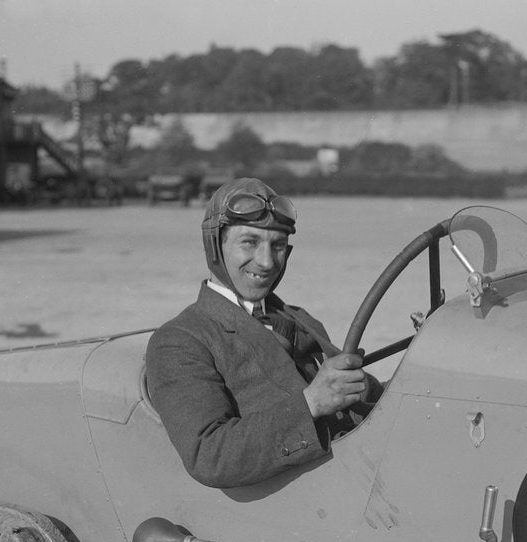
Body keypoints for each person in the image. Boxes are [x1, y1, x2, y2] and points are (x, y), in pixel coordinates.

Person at [146, 177, 381, 488]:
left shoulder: (298, 319)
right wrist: (311, 403)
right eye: (249, 242)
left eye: (278, 245)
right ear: (216, 246)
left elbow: (365, 397)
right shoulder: (181, 340)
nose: (267, 261)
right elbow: (209, 455)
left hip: (358, 477)